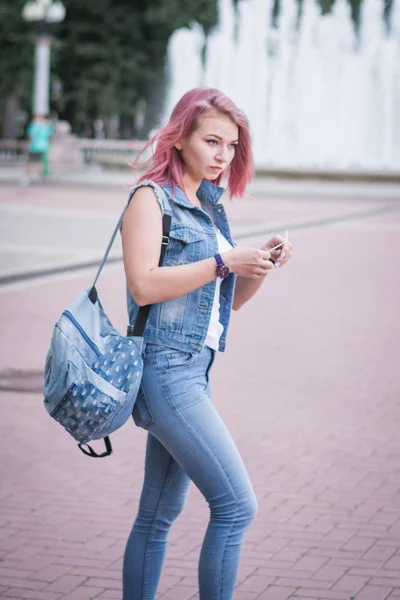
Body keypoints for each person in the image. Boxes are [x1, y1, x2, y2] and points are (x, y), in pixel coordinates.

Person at [121, 87, 293, 600]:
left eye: (232, 146)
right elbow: (143, 285)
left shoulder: (208, 207)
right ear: (179, 139)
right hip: (165, 372)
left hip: (195, 371)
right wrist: (223, 261)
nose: (223, 156)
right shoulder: (149, 199)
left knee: (157, 515)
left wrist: (256, 266)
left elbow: (227, 303)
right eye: (212, 141)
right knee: (237, 505)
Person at [22, 114, 53, 184]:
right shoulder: (47, 126)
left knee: (30, 162)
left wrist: (29, 144)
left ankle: (27, 176)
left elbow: (30, 136)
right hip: (44, 147)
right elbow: (50, 136)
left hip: (35, 146)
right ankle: (38, 177)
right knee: (40, 163)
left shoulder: (34, 125)